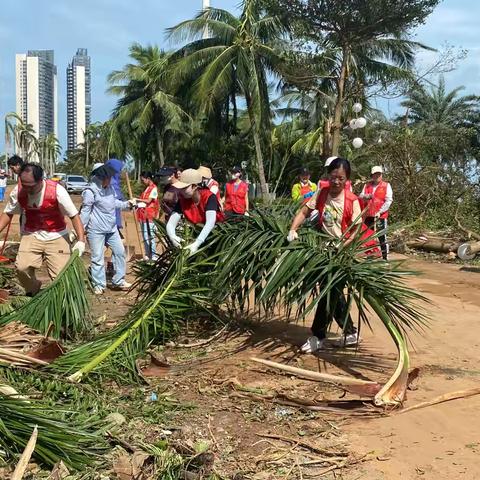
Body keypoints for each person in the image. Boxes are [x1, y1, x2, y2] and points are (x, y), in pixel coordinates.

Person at [287, 157, 364, 353]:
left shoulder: (352, 201)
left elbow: (356, 232)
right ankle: (350, 331)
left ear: (347, 179)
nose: (336, 181)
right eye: (333, 177)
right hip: (322, 251)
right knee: (333, 293)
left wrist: (341, 246)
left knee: (328, 292)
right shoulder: (322, 193)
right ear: (328, 176)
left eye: (341, 178)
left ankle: (318, 336)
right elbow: (304, 211)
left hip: (342, 253)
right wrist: (293, 229)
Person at [0, 163, 85, 296]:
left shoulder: (56, 191)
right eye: (24, 185)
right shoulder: (19, 191)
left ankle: (62, 303)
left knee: (60, 276)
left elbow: (74, 215)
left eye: (31, 186)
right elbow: (8, 213)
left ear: (40, 180)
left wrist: (81, 241)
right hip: (31, 233)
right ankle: (33, 287)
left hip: (57, 234)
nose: (27, 190)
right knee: (22, 268)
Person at [80, 165, 133, 294]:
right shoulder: (90, 192)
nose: (110, 180)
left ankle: (118, 280)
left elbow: (114, 203)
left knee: (120, 252)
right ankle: (99, 284)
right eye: (108, 177)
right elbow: (85, 212)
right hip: (96, 230)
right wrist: (81, 229)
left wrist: (127, 204)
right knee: (98, 257)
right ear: (100, 177)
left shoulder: (109, 189)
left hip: (112, 228)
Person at [166, 168, 224, 255]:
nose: (181, 191)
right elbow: (170, 224)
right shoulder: (182, 200)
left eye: (184, 188)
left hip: (215, 236)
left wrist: (197, 243)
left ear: (194, 186)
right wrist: (173, 237)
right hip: (195, 233)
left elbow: (210, 223)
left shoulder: (209, 197)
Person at [359, 166, 393, 260]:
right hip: (368, 215)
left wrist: (380, 211)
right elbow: (360, 196)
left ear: (381, 175)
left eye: (379, 174)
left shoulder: (386, 185)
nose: (377, 176)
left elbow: (389, 200)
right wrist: (365, 196)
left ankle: (385, 257)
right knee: (367, 236)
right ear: (372, 175)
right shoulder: (367, 185)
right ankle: (369, 255)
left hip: (380, 216)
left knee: (382, 236)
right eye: (375, 174)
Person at [134, 171, 159, 260]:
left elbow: (149, 201)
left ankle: (154, 255)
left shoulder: (154, 188)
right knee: (145, 236)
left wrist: (137, 199)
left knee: (150, 235)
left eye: (143, 180)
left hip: (150, 215)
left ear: (148, 179)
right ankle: (148, 254)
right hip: (143, 215)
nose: (142, 182)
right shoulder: (147, 188)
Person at [105, 158, 124, 230]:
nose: (120, 172)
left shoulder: (113, 181)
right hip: (110, 220)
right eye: (119, 170)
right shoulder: (111, 182)